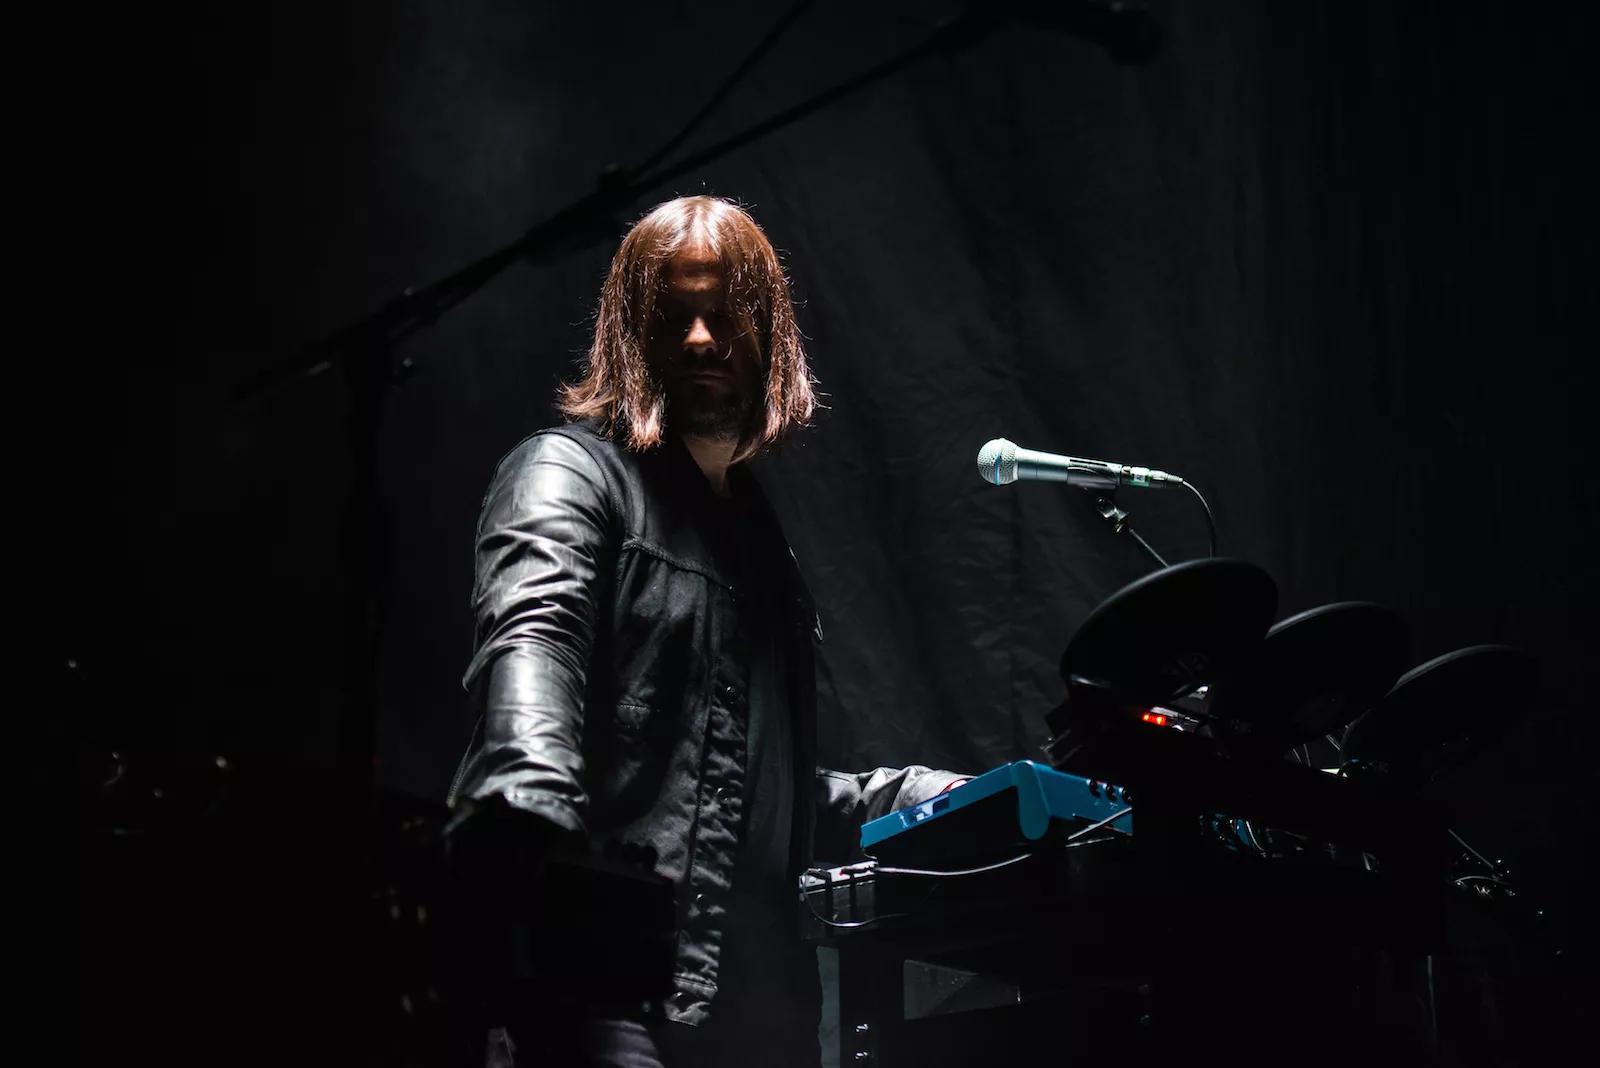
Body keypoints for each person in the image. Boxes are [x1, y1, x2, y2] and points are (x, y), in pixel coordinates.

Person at [444, 195, 967, 1068]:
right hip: (602, 996)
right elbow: (530, 666)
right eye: (672, 316)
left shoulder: (756, 544)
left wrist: (936, 800)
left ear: (771, 339)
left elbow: (744, 797)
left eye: (724, 315)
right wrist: (544, 885)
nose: (698, 339)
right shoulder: (568, 476)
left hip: (757, 1019)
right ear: (629, 336)